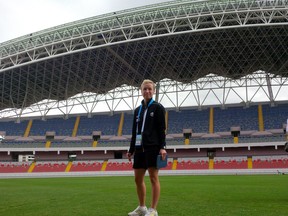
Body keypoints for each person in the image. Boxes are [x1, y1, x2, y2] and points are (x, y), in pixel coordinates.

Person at [127, 79, 167, 216]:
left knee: (153, 178)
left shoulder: (158, 107)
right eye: (145, 89)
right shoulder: (138, 110)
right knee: (137, 179)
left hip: (153, 147)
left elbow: (162, 129)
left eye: (150, 89)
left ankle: (153, 210)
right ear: (141, 90)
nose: (147, 91)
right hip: (139, 149)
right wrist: (131, 149)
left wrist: (162, 147)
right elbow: (134, 131)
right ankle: (142, 207)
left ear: (154, 91)